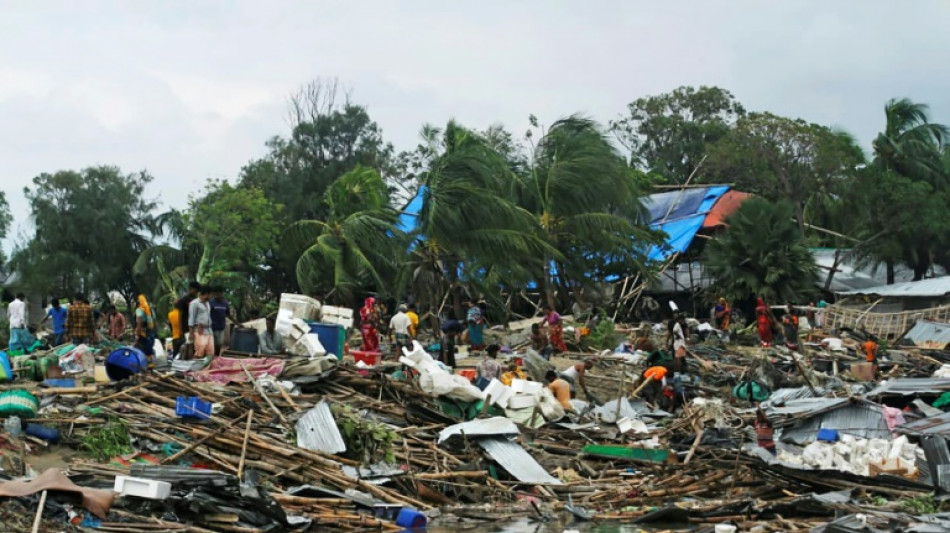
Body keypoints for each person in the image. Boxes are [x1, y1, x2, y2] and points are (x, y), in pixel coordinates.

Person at [188, 286, 214, 358]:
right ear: (206, 294)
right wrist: (191, 333)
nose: (211, 297)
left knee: (210, 352)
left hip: (209, 329)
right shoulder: (194, 303)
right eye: (210, 295)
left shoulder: (208, 304)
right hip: (199, 329)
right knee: (200, 350)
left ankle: (207, 368)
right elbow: (191, 318)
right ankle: (197, 366)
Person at [175, 281, 201, 348]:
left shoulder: (197, 300)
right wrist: (180, 330)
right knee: (189, 345)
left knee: (195, 345)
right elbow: (179, 315)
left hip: (195, 327)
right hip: (186, 327)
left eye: (197, 292)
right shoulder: (183, 300)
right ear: (190, 288)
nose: (196, 293)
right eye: (194, 290)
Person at [134, 295, 156, 362]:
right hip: (151, 333)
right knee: (149, 350)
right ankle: (151, 364)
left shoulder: (139, 310)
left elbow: (139, 323)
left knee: (141, 350)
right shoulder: (151, 311)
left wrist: (137, 334)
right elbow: (154, 321)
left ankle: (143, 364)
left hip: (143, 334)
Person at [209, 287, 231, 355]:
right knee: (212, 345)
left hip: (221, 328)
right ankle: (211, 358)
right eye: (215, 293)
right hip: (211, 328)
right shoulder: (210, 302)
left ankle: (217, 356)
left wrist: (237, 323)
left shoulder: (225, 303)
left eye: (218, 293)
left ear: (221, 293)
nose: (217, 294)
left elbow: (228, 314)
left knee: (219, 344)